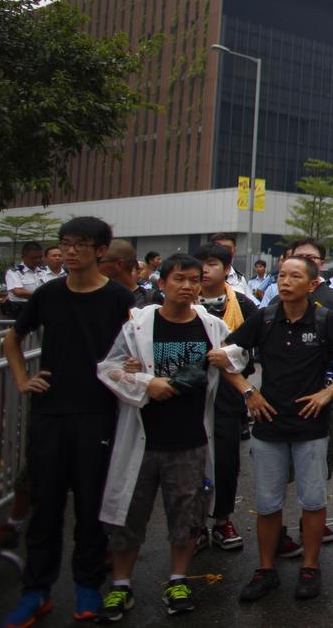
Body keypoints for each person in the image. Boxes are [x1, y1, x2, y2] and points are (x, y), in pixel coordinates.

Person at [94, 253, 245, 621]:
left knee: (187, 515)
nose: (188, 286)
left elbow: (237, 357)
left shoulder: (210, 325)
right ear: (161, 284)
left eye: (194, 280)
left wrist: (227, 360)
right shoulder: (140, 324)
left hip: (190, 438)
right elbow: (108, 367)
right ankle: (121, 584)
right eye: (179, 279)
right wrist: (147, 382)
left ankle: (178, 578)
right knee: (131, 515)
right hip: (144, 437)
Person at [1, 218, 136, 627]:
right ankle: (35, 591)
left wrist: (129, 368)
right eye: (66, 243)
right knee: (45, 506)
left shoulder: (116, 297)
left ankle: (87, 586)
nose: (71, 250)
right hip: (49, 412)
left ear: (100, 251)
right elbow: (12, 338)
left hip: (97, 413)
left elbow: (132, 347)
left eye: (81, 244)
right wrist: (23, 379)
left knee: (92, 504)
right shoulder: (48, 294)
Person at [227, 256, 333, 602]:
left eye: (295, 277)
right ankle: (265, 569)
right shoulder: (263, 318)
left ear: (312, 285)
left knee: (312, 501)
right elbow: (224, 357)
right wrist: (248, 392)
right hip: (268, 425)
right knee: (266, 503)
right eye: (282, 276)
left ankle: (310, 567)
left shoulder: (325, 319)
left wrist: (331, 390)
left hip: (311, 426)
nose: (285, 282)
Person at [191, 243, 257, 554]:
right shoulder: (175, 301)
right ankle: (193, 524)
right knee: (188, 458)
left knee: (227, 457)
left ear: (227, 267)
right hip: (185, 393)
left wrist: (230, 356)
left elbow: (254, 346)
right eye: (199, 263)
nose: (204, 269)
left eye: (212, 263)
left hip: (228, 394)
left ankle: (222, 519)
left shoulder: (242, 304)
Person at [99, 239, 150, 309]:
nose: (96, 267)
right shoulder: (100, 297)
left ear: (119, 265)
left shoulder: (148, 302)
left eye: (100, 262)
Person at [3, 241, 47, 318]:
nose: (37, 260)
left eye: (40, 257)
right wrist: (42, 295)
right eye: (33, 258)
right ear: (23, 257)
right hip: (20, 310)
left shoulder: (44, 271)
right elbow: (18, 292)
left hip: (40, 308)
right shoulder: (14, 272)